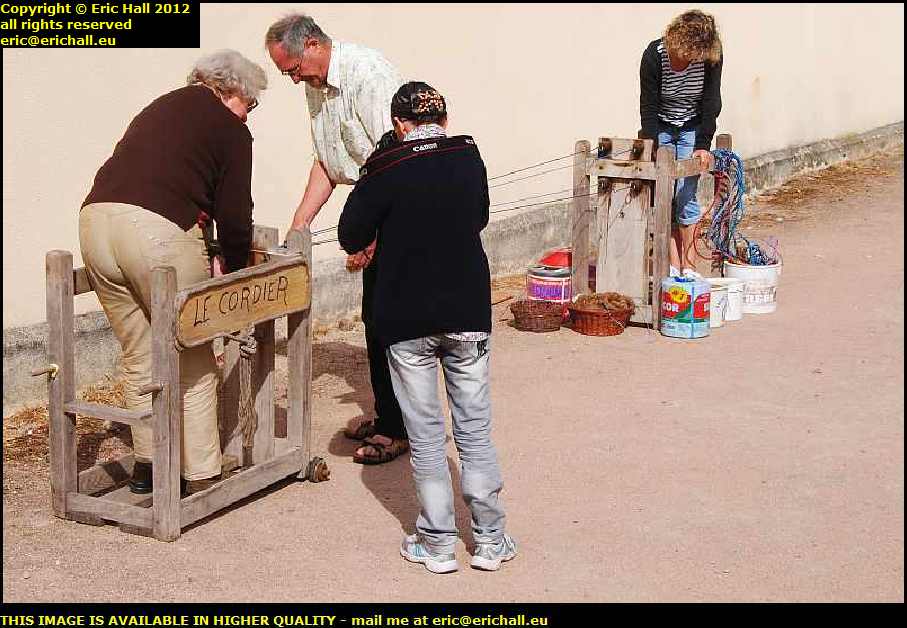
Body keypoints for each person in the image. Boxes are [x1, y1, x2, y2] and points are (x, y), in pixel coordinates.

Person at [338, 82, 517, 574]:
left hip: (406, 316)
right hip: (467, 312)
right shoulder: (467, 155)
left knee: (426, 435)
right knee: (474, 430)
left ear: (399, 124)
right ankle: (490, 540)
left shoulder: (385, 167)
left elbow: (349, 233)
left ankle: (436, 543)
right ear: (444, 115)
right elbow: (477, 217)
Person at [79, 50, 266, 495]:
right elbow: (236, 214)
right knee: (194, 354)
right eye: (251, 104)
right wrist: (234, 268)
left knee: (140, 352)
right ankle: (200, 473)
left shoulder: (162, 104)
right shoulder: (229, 129)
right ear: (229, 91)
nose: (250, 113)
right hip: (154, 231)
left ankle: (149, 464)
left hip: (95, 223)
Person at [265, 13, 409, 464]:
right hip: (371, 205)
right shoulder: (315, 85)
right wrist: (298, 226)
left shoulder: (369, 74)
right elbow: (328, 162)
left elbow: (395, 156)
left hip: (397, 207)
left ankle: (400, 428)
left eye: (291, 68)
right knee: (375, 320)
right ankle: (389, 415)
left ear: (311, 44)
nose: (292, 79)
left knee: (394, 324)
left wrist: (372, 232)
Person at [640, 9, 723, 278]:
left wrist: (703, 144)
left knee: (685, 194)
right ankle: (672, 263)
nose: (690, 60)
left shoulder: (710, 58)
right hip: (661, 126)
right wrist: (651, 147)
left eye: (696, 56)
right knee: (663, 194)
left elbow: (711, 102)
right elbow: (648, 108)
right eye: (688, 54)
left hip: (692, 127)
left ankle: (689, 264)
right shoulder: (654, 56)